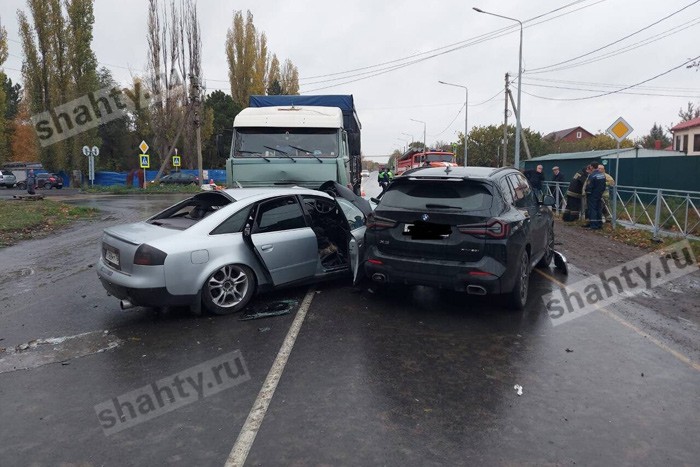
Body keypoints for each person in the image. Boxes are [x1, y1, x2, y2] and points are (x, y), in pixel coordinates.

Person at [584, 161, 606, 229]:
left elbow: (589, 186)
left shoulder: (592, 175)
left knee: (592, 209)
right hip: (599, 194)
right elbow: (604, 185)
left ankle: (593, 224)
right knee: (598, 208)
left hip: (592, 195)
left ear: (592, 167)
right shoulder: (602, 175)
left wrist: (587, 192)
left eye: (590, 166)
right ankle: (599, 224)